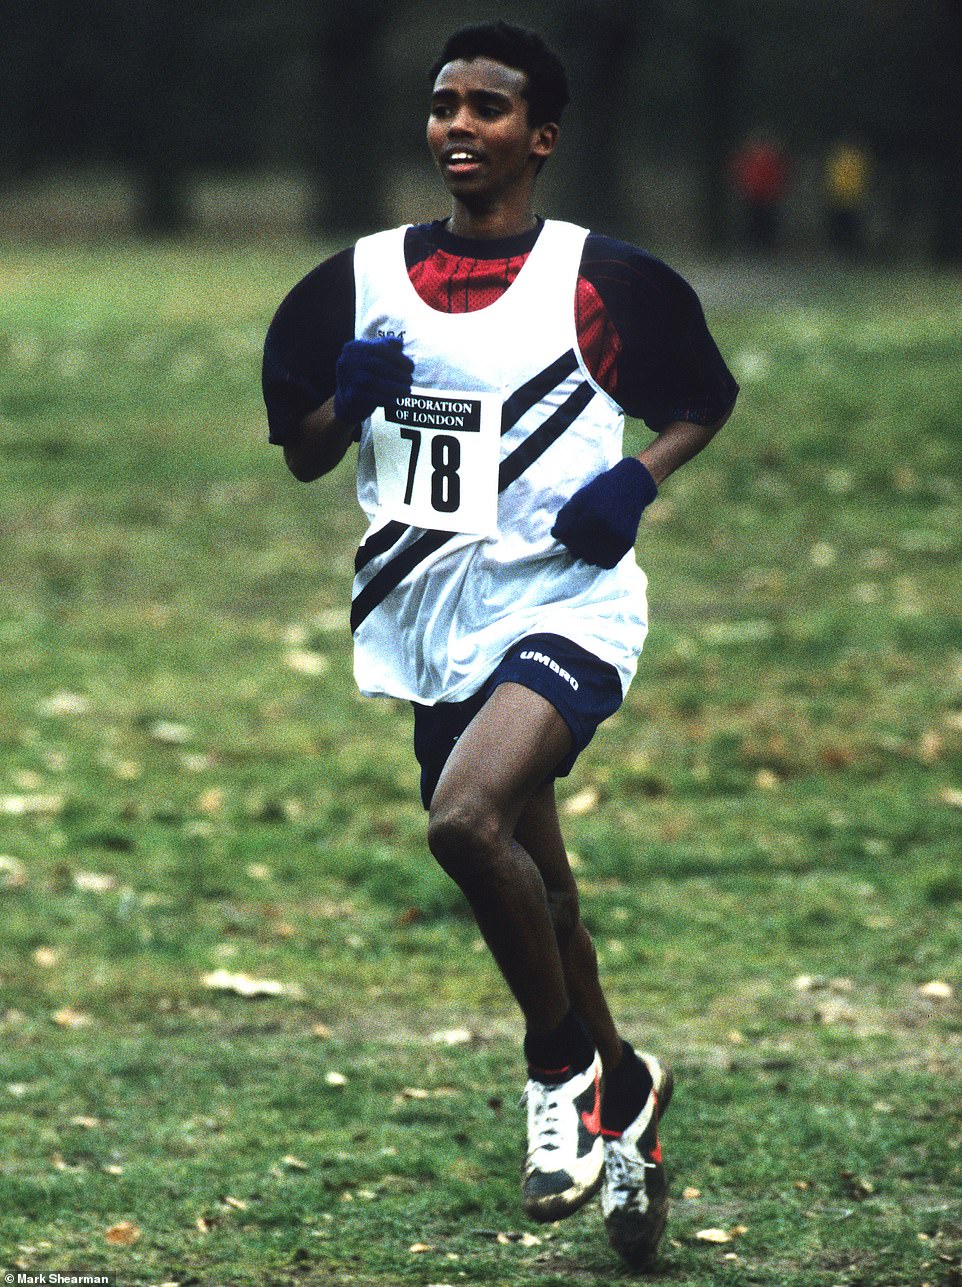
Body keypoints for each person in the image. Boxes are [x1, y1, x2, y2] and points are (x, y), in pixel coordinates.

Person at [262, 21, 738, 1269]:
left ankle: (556, 1073)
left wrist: (636, 480)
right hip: (429, 620)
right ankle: (627, 1094)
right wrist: (343, 402)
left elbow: (702, 396)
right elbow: (305, 447)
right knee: (547, 892)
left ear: (540, 135)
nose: (456, 127)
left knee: (466, 824)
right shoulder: (352, 281)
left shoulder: (604, 279)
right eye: (441, 106)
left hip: (566, 604)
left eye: (485, 107)